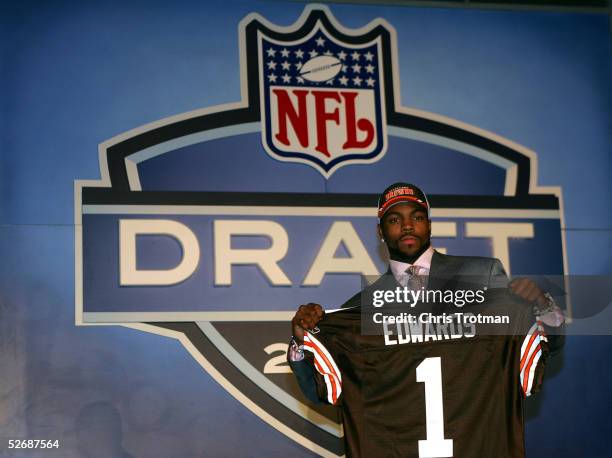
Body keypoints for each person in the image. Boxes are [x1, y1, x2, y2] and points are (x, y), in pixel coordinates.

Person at [287, 182, 564, 457]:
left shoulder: (482, 274)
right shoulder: (362, 308)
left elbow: (540, 347)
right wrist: (302, 342)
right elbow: (320, 391)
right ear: (380, 231)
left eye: (417, 218)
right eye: (395, 219)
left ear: (429, 225)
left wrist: (540, 307)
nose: (407, 226)